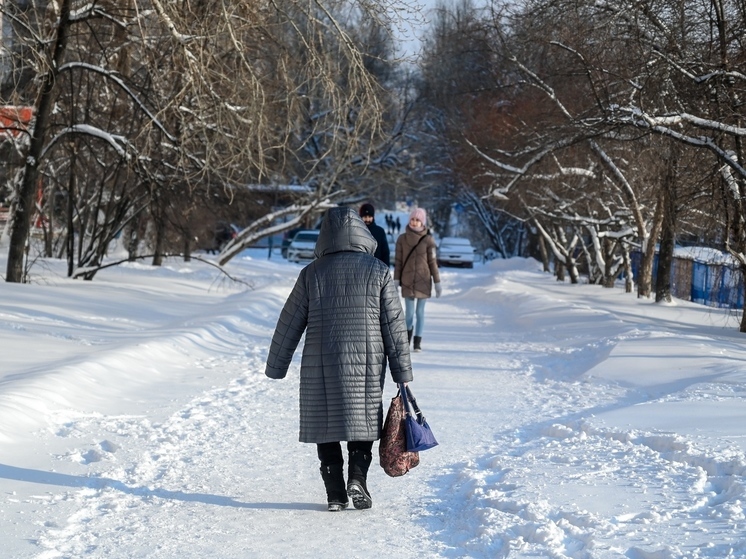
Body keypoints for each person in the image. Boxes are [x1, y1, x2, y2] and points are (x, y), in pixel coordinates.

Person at [265, 207, 413, 512]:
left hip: (322, 362)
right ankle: (357, 478)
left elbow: (289, 322)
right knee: (363, 422)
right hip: (367, 364)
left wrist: (276, 366)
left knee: (326, 423)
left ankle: (334, 494)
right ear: (362, 233)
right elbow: (394, 325)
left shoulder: (311, 274)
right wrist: (402, 371)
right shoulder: (378, 271)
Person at [394, 207, 441, 352]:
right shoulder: (402, 239)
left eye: (417, 220)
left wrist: (437, 282)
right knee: (408, 313)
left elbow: (432, 262)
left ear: (422, 221)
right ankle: (406, 341)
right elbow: (398, 261)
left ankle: (417, 343)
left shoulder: (428, 240)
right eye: (412, 219)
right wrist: (396, 280)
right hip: (407, 280)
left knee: (420, 313)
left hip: (423, 281)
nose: (414, 222)